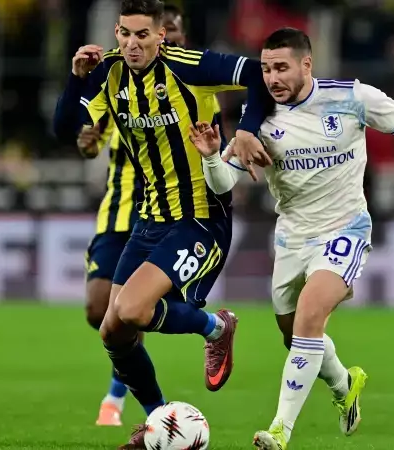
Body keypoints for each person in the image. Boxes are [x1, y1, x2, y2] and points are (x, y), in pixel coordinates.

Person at [190, 28, 394, 450]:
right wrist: (209, 157)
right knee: (293, 336)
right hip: (292, 237)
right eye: (266, 69)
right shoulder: (256, 121)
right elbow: (223, 184)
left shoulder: (351, 97)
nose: (272, 78)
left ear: (306, 64)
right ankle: (344, 384)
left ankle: (279, 431)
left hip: (345, 229)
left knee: (310, 316)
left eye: (281, 67)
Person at [61, 0, 272, 447]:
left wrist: (247, 129)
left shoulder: (190, 66)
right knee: (113, 331)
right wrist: (76, 78)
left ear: (160, 36)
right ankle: (158, 422)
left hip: (200, 217)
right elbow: (67, 129)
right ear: (116, 33)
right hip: (149, 218)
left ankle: (216, 327)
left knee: (134, 310)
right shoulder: (108, 71)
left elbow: (258, 73)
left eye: (142, 35)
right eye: (125, 34)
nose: (132, 44)